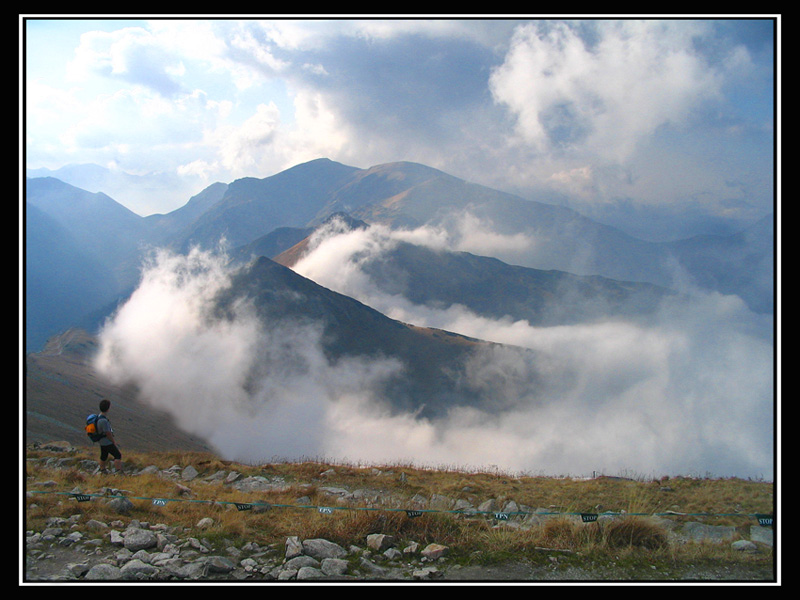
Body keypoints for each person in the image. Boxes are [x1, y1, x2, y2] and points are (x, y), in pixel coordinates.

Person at [96, 399, 123, 474]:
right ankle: (118, 472)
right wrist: (113, 441)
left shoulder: (98, 417)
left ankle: (102, 471)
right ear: (107, 409)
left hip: (102, 441)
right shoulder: (103, 421)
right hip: (107, 442)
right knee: (117, 455)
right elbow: (108, 433)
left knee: (104, 455)